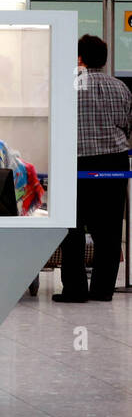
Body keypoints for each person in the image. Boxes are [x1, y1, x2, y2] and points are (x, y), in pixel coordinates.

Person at [56, 36, 130, 303]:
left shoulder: (70, 85)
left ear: (80, 58)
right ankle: (103, 290)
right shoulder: (121, 87)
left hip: (77, 164)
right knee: (108, 231)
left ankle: (75, 289)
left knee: (72, 228)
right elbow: (128, 124)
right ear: (105, 58)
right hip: (114, 164)